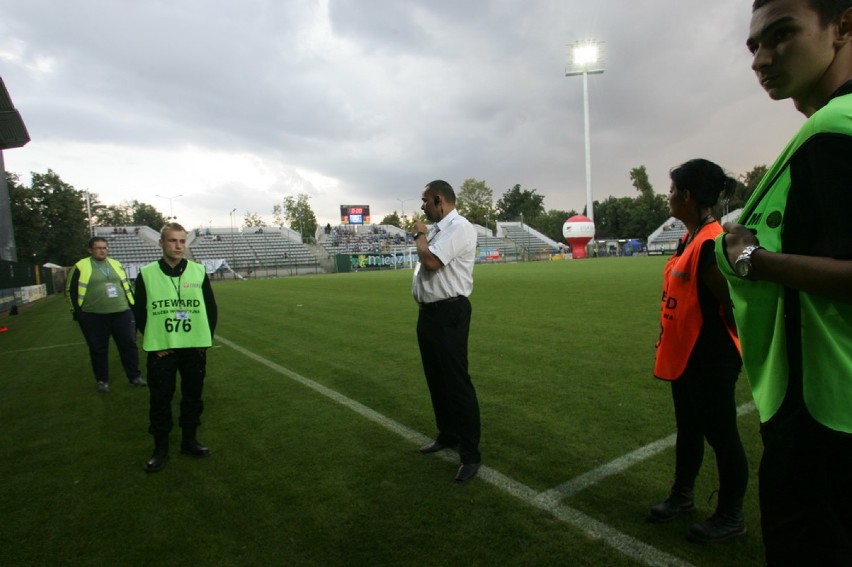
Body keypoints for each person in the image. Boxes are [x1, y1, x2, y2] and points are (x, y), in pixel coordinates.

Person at [716, 0, 852, 563]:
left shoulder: (833, 130)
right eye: (753, 45)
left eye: (782, 35)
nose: (761, 58)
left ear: (843, 25)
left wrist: (754, 258)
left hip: (823, 418)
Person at [649, 159, 749, 543]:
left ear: (687, 196)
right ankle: (683, 496)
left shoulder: (709, 242)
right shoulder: (690, 236)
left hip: (710, 357)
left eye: (673, 190)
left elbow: (729, 304)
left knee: (722, 434)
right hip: (686, 354)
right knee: (689, 428)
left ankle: (730, 515)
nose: (669, 196)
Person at [410, 180, 481, 482]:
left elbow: (430, 262)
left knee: (456, 382)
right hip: (429, 313)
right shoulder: (441, 229)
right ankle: (448, 434)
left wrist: (420, 234)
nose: (423, 206)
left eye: (425, 200)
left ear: (439, 199)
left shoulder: (459, 227)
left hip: (449, 312)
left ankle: (470, 454)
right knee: (436, 379)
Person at [134, 223, 218, 473]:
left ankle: (189, 441)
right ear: (161, 243)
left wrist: (205, 341)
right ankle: (160, 449)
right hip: (163, 349)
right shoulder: (147, 273)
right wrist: (154, 343)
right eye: (172, 241)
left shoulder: (198, 271)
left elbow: (210, 309)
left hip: (193, 348)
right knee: (160, 399)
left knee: (193, 397)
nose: (178, 246)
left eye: (182, 241)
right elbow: (139, 312)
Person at [66, 236, 145, 392]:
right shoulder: (80, 266)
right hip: (93, 315)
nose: (102, 251)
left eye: (105, 248)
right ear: (90, 250)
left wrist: (133, 306)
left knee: (129, 345)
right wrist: (77, 312)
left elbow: (127, 286)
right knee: (98, 349)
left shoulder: (115, 264)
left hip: (122, 312)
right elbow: (70, 290)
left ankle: (135, 377)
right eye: (98, 248)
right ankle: (102, 381)